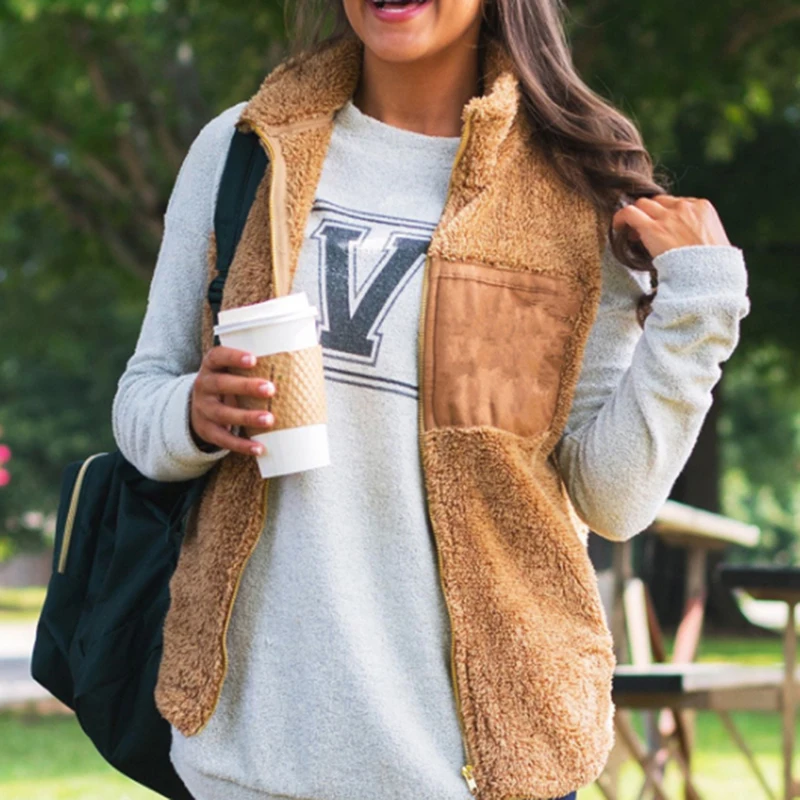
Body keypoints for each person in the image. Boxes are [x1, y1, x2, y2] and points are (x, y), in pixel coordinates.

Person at [112, 1, 751, 799]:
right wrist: (193, 414)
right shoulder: (245, 150)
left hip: (480, 766)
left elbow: (612, 500)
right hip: (248, 758)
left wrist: (700, 307)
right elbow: (142, 396)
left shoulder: (575, 193)